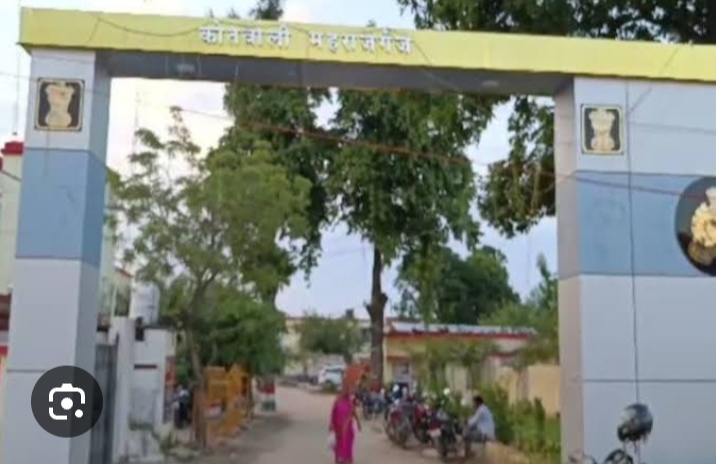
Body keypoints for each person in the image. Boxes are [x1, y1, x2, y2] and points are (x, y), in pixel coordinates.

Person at [329, 382, 362, 464]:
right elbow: (333, 414)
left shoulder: (350, 402)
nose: (347, 392)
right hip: (338, 427)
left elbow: (354, 413)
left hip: (348, 428)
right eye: (345, 390)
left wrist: (358, 423)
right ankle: (339, 459)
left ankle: (347, 459)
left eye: (348, 390)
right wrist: (331, 425)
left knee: (347, 444)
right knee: (338, 444)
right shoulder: (337, 401)